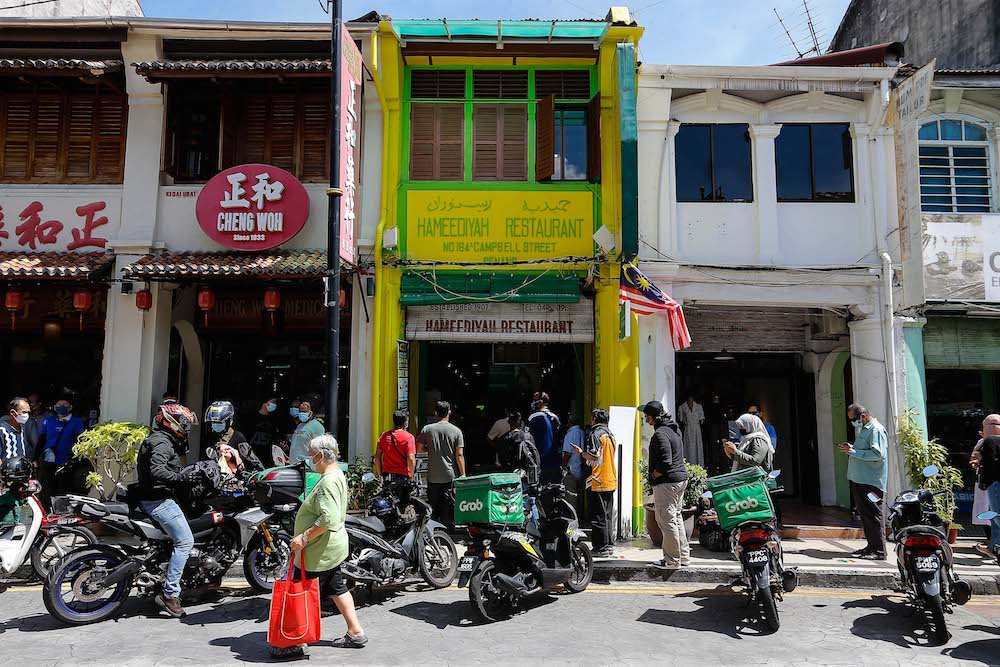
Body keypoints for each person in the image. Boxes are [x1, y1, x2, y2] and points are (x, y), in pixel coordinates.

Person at [276, 434, 366, 657]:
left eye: (311, 456)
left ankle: (295, 640)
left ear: (321, 455)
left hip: (318, 550)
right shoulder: (337, 475)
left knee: (301, 592)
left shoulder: (327, 482)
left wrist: (303, 537)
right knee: (337, 587)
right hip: (329, 549)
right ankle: (356, 632)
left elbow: (328, 519)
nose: (310, 460)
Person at [135, 402, 199, 618]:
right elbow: (157, 471)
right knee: (185, 542)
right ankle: (170, 594)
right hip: (158, 500)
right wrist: (181, 477)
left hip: (149, 497)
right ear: (174, 423)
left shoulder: (159, 439)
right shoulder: (162, 443)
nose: (187, 428)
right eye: (184, 424)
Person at [641, 401, 690, 569]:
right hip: (679, 480)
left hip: (667, 483)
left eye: (647, 416)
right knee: (676, 518)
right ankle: (682, 557)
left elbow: (665, 462)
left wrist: (654, 475)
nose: (646, 420)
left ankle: (672, 560)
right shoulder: (673, 430)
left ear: (654, 417)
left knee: (665, 520)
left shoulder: (660, 434)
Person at [838, 403, 889, 560]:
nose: (853, 423)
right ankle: (871, 547)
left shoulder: (876, 430)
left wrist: (854, 451)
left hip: (871, 481)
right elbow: (864, 451)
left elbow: (878, 454)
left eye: (854, 419)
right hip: (861, 480)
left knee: (873, 514)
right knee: (866, 515)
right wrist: (852, 449)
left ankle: (879, 551)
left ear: (862, 416)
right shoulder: (866, 430)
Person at [576, 408, 617, 557]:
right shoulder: (610, 434)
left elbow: (593, 455)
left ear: (595, 419)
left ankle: (601, 547)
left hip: (598, 480)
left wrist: (580, 453)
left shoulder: (595, 434)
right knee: (607, 515)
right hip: (610, 478)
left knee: (598, 516)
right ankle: (608, 544)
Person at [417, 401, 465, 527]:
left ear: (435, 413)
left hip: (433, 476)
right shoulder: (456, 431)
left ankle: (432, 532)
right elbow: (459, 455)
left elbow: (419, 448)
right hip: (449, 475)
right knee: (448, 506)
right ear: (449, 412)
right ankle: (447, 532)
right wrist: (463, 474)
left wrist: (430, 449)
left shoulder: (427, 429)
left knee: (432, 507)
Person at [37, 399, 87, 501]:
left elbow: (80, 439)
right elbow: (41, 440)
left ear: (70, 407)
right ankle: (48, 508)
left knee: (65, 487)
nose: (61, 407)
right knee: (48, 486)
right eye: (59, 405)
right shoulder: (48, 421)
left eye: (65, 405)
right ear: (55, 407)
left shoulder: (76, 421)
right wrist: (35, 458)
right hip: (50, 460)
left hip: (67, 461)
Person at [203, 400, 263, 477]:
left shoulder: (237, 437)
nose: (215, 425)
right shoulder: (210, 437)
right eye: (214, 422)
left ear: (229, 421)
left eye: (219, 423)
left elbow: (253, 462)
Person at [974, 414, 1000, 561]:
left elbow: (990, 464)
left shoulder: (990, 441)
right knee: (993, 516)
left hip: (995, 483)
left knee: (997, 516)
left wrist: (980, 459)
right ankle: (994, 547)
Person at [528, 392, 561, 483]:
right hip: (554, 461)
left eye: (535, 401)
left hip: (539, 462)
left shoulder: (533, 418)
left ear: (541, 402)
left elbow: (527, 441)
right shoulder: (555, 418)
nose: (533, 403)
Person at [376, 409, 416, 483]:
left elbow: (377, 456)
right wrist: (411, 475)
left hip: (387, 476)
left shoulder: (383, 436)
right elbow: (411, 458)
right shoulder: (409, 437)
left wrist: (380, 475)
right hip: (403, 476)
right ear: (405, 423)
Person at [561, 413, 587, 517]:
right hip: (580, 468)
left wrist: (562, 466)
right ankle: (580, 517)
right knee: (579, 496)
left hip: (571, 468)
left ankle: (572, 518)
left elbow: (568, 453)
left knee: (570, 496)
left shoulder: (570, 434)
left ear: (570, 422)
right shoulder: (582, 432)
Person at [249, 398, 283, 466]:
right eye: (273, 402)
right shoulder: (251, 417)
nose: (274, 405)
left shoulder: (273, 419)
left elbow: (275, 437)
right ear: (265, 402)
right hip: (254, 452)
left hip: (268, 454)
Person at [289, 400, 324, 465]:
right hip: (294, 464)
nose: (302, 414)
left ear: (311, 412)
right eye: (300, 411)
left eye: (304, 411)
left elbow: (319, 449)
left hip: (306, 465)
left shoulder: (317, 427)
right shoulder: (300, 425)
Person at [1, 397, 32, 465]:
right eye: (24, 412)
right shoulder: (2, 430)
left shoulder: (23, 429)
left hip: (22, 471)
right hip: (7, 473)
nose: (26, 415)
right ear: (12, 412)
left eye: (28, 412)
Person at [677, 396, 705, 467]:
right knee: (688, 449)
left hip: (697, 431)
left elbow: (701, 419)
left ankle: (699, 466)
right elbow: (681, 420)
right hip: (688, 430)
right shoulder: (682, 407)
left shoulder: (698, 407)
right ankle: (688, 466)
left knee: (697, 449)